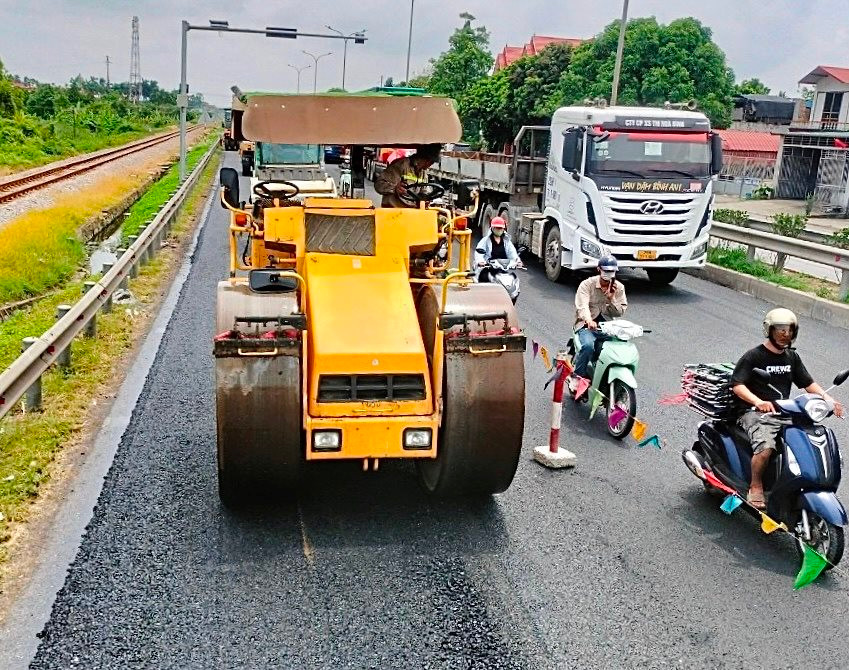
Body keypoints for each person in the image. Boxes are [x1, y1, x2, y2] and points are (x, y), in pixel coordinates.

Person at [730, 308, 843, 509]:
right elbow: (737, 384)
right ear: (769, 330)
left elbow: (808, 383)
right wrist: (757, 401)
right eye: (780, 330)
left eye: (790, 330)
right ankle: (756, 486)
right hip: (755, 413)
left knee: (809, 439)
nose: (785, 334)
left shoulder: (791, 357)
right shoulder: (754, 356)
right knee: (766, 448)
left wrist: (828, 399)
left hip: (783, 411)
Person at [567, 256, 628, 392]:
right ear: (599, 269)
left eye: (612, 271)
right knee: (588, 346)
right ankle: (577, 377)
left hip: (607, 327)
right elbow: (582, 306)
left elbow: (620, 312)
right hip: (586, 326)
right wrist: (589, 320)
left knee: (617, 349)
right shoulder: (587, 284)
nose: (609, 274)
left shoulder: (619, 288)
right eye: (606, 271)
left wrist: (612, 299)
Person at [374, 143, 442, 208]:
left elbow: (423, 190)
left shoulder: (423, 173)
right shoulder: (401, 165)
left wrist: (425, 198)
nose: (431, 164)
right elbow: (379, 185)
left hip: (410, 213)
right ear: (426, 159)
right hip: (393, 211)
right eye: (432, 162)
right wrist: (395, 188)